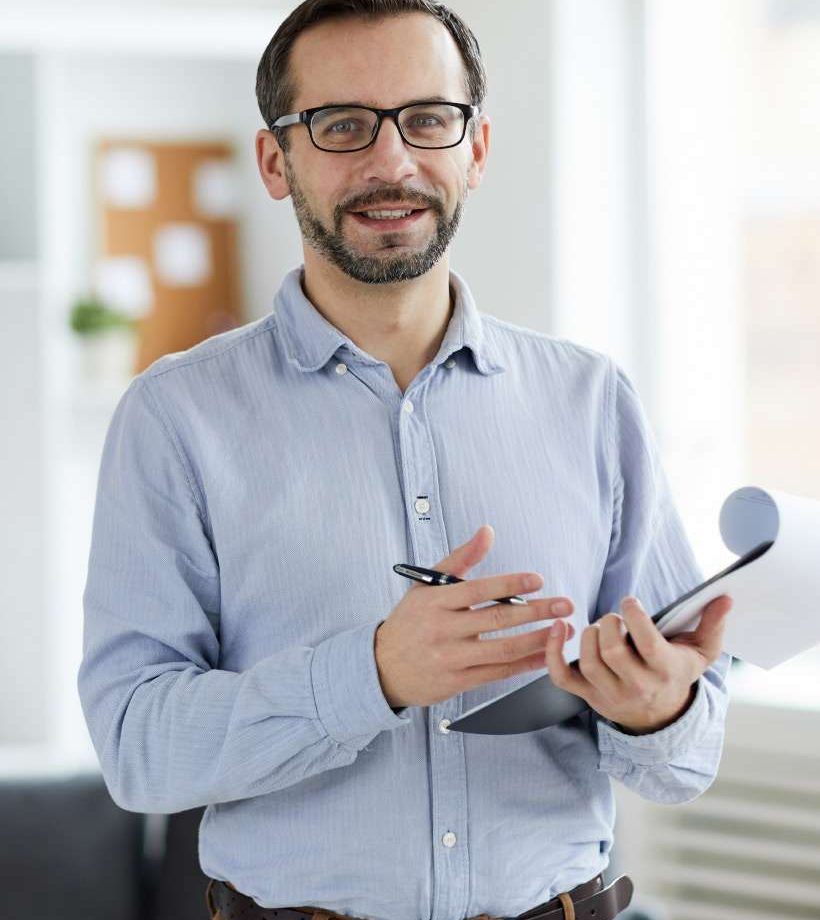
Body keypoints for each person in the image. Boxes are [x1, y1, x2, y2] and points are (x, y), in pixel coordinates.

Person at [77, 2, 733, 920]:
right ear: (277, 161)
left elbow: (686, 759)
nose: (393, 162)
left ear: (476, 148)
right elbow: (135, 747)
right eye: (342, 125)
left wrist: (658, 710)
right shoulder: (175, 418)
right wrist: (373, 675)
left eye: (428, 119)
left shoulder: (593, 402)